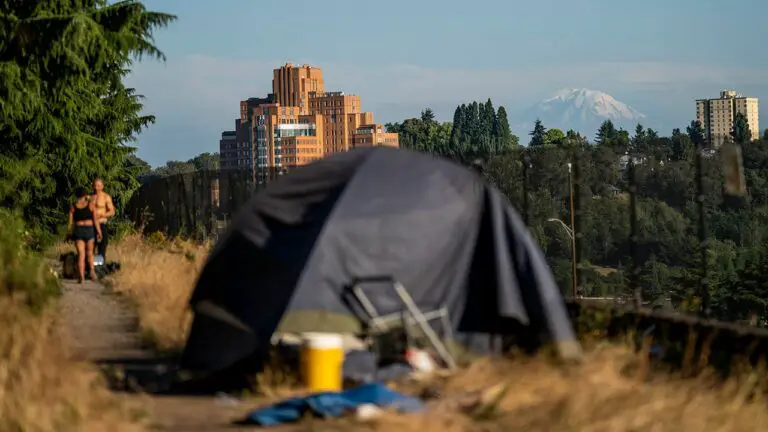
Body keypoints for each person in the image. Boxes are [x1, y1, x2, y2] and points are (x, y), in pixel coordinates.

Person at [68, 187, 102, 283]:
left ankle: (81, 276)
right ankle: (91, 272)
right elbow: (95, 220)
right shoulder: (90, 205)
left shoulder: (73, 206)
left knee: (81, 255)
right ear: (85, 195)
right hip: (89, 230)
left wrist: (69, 233)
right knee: (90, 253)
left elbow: (70, 223)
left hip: (78, 230)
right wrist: (99, 232)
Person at [92, 177, 115, 260]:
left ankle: (101, 267)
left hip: (102, 224)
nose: (96, 188)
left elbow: (112, 211)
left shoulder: (106, 197)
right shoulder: (90, 198)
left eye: (98, 186)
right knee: (90, 250)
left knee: (102, 249)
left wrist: (102, 215)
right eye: (95, 186)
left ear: (102, 186)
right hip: (91, 226)